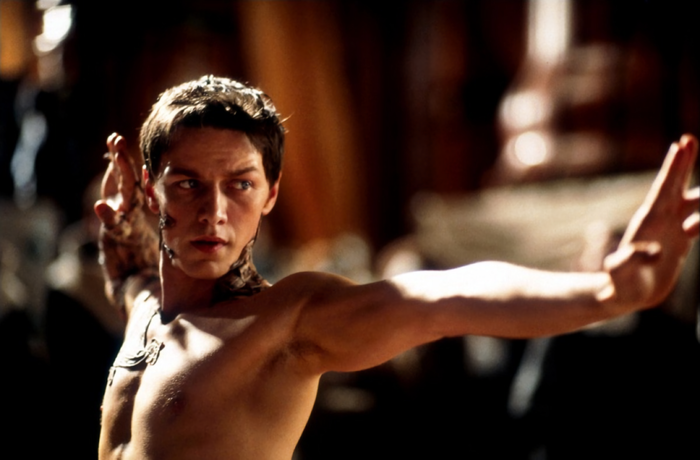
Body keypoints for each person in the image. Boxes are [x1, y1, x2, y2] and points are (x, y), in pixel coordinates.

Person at [94, 75, 699, 460]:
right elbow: (127, 273)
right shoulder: (146, 309)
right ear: (151, 189)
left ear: (271, 194)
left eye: (240, 185)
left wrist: (606, 292)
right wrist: (120, 231)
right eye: (188, 184)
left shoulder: (288, 320)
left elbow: (445, 299)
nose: (214, 212)